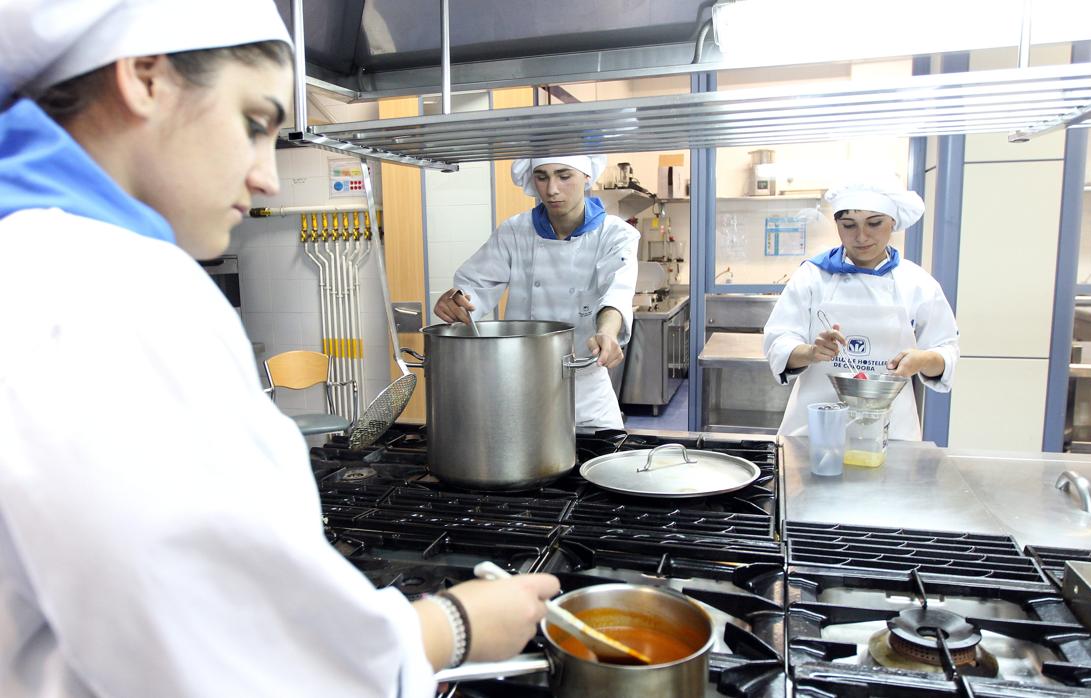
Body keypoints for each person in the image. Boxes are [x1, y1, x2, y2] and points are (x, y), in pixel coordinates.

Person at [0, 1, 558, 696]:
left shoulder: (30, 258)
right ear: (146, 77)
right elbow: (227, 659)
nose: (268, 176)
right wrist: (451, 627)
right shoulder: (107, 286)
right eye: (255, 123)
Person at [433, 154, 639, 430]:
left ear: (586, 176)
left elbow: (616, 293)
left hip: (586, 397)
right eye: (542, 177)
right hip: (519, 392)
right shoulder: (515, 232)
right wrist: (459, 300)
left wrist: (607, 332)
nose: (551, 189)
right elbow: (475, 285)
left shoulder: (615, 234)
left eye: (564, 176)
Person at [763, 181, 960, 439]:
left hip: (891, 434)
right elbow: (779, 343)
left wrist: (923, 360)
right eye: (849, 225)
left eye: (874, 223)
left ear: (893, 222)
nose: (861, 236)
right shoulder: (812, 276)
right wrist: (811, 352)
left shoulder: (917, 283)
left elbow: (946, 352)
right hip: (814, 433)